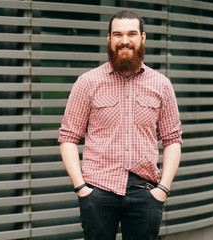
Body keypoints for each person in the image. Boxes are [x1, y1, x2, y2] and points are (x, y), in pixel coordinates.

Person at [58, 10, 183, 240]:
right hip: (98, 190)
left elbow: (173, 140)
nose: (124, 40)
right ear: (109, 39)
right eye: (117, 34)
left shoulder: (162, 84)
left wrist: (162, 190)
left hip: (145, 192)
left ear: (142, 38)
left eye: (131, 34)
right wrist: (82, 189)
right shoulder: (87, 82)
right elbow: (68, 137)